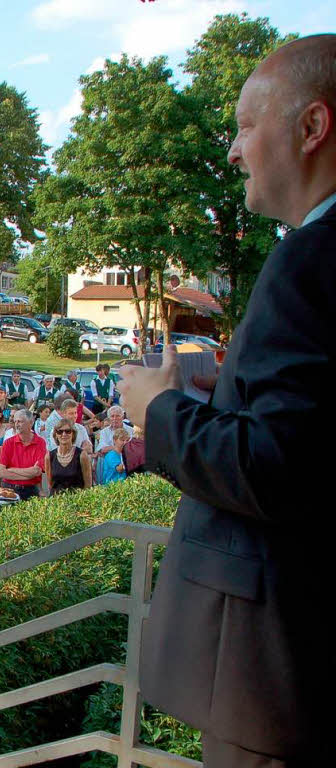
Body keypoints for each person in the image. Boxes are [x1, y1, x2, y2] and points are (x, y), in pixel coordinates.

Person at [118, 38, 336, 765]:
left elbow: (274, 467)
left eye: (246, 126)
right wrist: (229, 387)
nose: (236, 152)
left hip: (278, 676)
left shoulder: (308, 259)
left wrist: (159, 407)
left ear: (311, 128)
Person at [0, 410, 46, 501]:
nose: (16, 424)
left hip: (31, 490)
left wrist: (11, 470)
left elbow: (37, 471)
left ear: (31, 423)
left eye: (20, 421)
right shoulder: (8, 443)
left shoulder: (40, 442)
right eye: (15, 422)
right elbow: (0, 472)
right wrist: (28, 475)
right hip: (9, 490)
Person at [44, 420, 92, 495]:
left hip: (77, 501)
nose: (64, 434)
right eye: (60, 432)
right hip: (56, 501)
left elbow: (88, 485)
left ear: (73, 434)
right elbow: (50, 484)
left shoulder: (82, 455)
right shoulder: (49, 456)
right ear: (56, 435)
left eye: (68, 431)